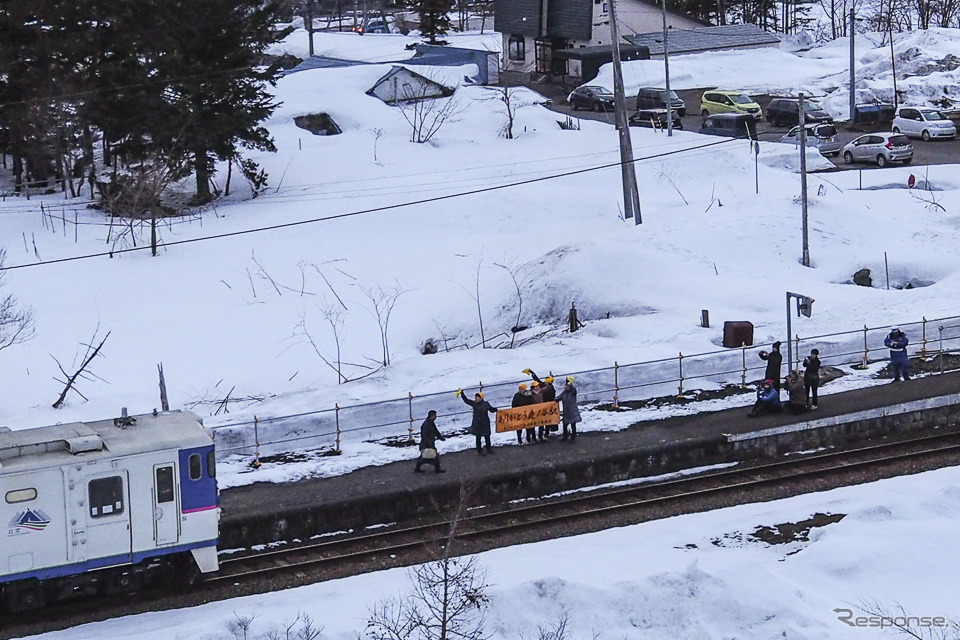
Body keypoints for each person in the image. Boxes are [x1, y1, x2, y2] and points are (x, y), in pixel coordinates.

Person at [458, 389, 497, 455]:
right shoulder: (474, 404)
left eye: (477, 397)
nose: (476, 398)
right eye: (475, 397)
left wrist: (496, 410)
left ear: (481, 398)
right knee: (478, 438)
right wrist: (462, 394)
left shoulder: (486, 404)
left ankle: (488, 449)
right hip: (477, 423)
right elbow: (466, 400)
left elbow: (491, 409)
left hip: (485, 423)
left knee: (487, 437)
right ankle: (480, 451)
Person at [557, 376, 581, 441]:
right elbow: (559, 397)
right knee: (565, 425)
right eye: (566, 386)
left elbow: (574, 389)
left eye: (567, 386)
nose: (566, 387)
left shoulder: (573, 392)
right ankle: (565, 437)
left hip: (572, 411)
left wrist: (570, 382)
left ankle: (573, 437)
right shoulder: (564, 392)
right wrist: (556, 399)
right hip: (566, 412)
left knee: (573, 425)